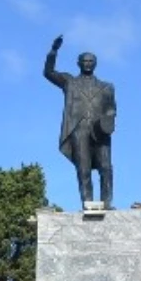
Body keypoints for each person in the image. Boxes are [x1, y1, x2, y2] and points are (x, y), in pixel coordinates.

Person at [44, 35, 116, 206]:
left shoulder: (107, 87)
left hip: (100, 130)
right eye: (85, 61)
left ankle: (106, 202)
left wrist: (109, 119)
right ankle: (88, 202)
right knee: (83, 169)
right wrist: (53, 51)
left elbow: (112, 108)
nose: (88, 63)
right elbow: (48, 72)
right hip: (79, 128)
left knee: (106, 167)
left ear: (95, 63)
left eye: (91, 61)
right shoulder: (69, 82)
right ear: (78, 63)